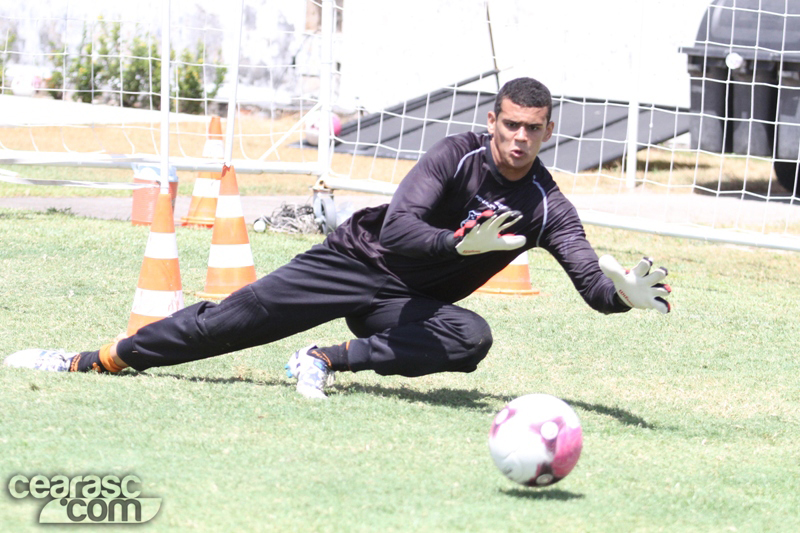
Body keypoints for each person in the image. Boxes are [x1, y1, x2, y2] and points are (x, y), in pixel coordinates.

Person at [4, 77, 671, 399]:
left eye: (535, 128)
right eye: (511, 124)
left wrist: (622, 298)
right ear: (492, 120)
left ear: (549, 131)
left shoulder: (546, 205)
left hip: (402, 307)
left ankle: (324, 358)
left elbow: (588, 277)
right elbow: (406, 227)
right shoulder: (453, 154)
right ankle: (88, 359)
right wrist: (456, 248)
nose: (521, 137)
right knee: (228, 322)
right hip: (357, 262)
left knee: (472, 338)